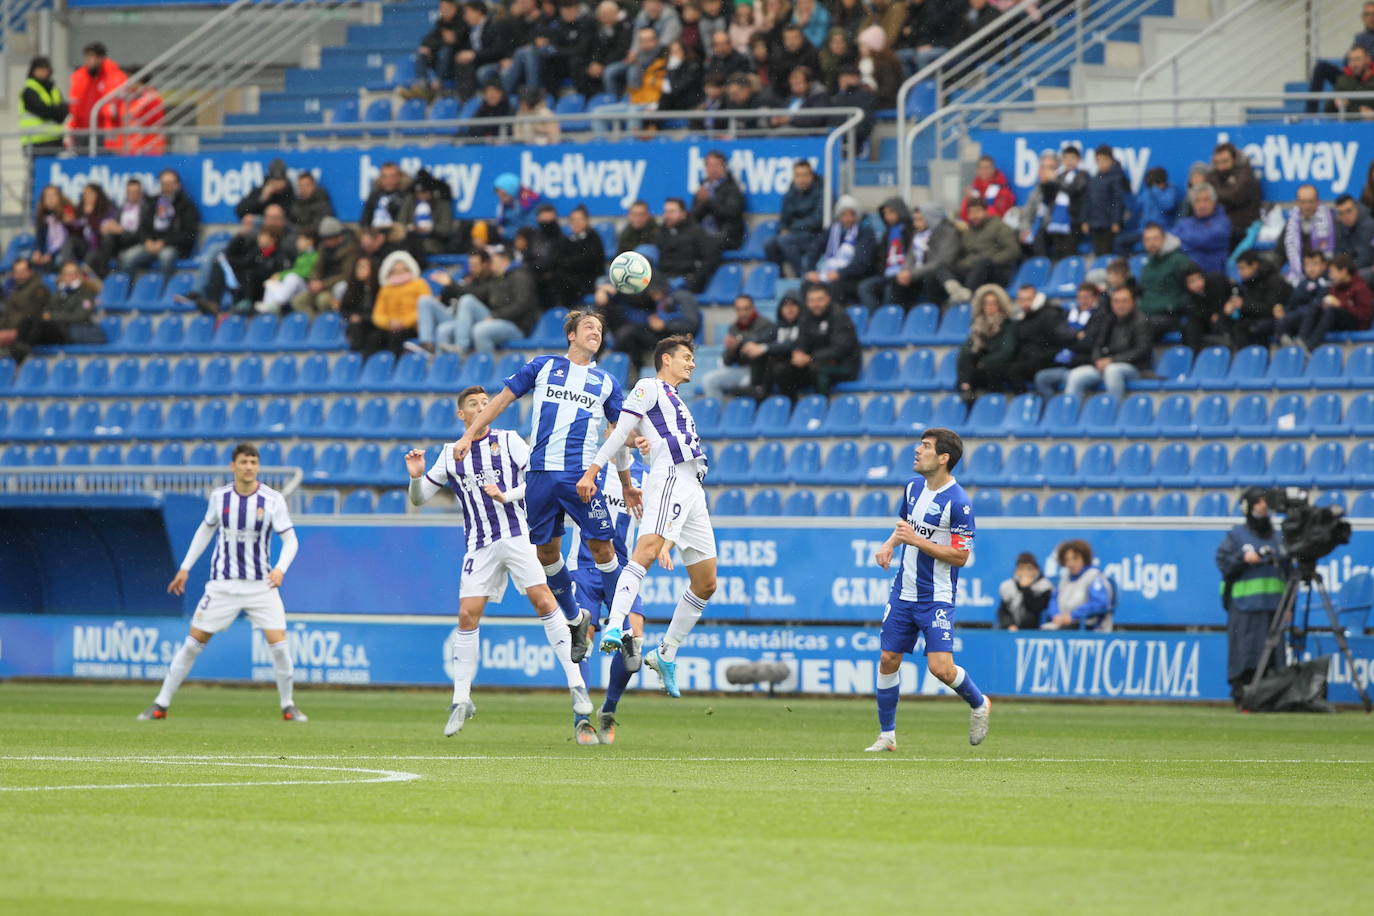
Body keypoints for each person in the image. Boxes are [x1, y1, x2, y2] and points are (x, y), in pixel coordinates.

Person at [407, 387, 599, 744]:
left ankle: (576, 686)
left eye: (485, 403)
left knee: (544, 601)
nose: (482, 408)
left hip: (517, 535)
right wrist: (417, 477)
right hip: (479, 545)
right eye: (473, 406)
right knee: (467, 615)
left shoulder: (509, 440)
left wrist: (506, 495)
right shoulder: (451, 454)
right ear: (462, 416)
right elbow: (419, 499)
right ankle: (460, 700)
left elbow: (537, 481)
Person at [453, 311, 641, 665]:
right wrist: (468, 434)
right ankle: (574, 620)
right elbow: (502, 400)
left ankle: (622, 629)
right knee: (547, 555)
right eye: (589, 327)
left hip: (580, 477)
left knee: (603, 548)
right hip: (539, 476)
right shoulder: (542, 367)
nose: (595, 333)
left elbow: (619, 434)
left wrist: (632, 466)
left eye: (600, 329)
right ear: (571, 334)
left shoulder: (606, 382)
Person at [577, 335, 716, 700]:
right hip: (670, 476)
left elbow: (639, 438)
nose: (692, 364)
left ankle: (666, 652)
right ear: (665, 359)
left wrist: (643, 443)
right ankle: (616, 626)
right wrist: (593, 471)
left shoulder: (675, 400)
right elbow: (621, 431)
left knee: (706, 582)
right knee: (646, 551)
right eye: (686, 357)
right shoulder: (648, 387)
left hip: (693, 487)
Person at [138, 444, 305, 723]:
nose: (249, 466)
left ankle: (288, 706)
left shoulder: (272, 500)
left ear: (258, 466)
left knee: (279, 646)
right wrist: (185, 567)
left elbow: (291, 539)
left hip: (260, 586)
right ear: (233, 466)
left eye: (253, 461)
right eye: (244, 462)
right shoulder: (220, 497)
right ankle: (160, 705)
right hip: (223, 585)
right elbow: (206, 529)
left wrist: (280, 569)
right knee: (192, 644)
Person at [867, 427, 988, 752]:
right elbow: (905, 525)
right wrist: (890, 544)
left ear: (944, 458)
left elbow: (961, 556)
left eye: (926, 446)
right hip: (902, 592)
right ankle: (887, 736)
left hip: (935, 597)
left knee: (940, 668)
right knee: (888, 658)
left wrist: (918, 541)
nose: (917, 451)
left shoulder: (959, 503)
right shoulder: (913, 487)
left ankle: (979, 703)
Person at [569, 449, 649, 743]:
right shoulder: (588, 468)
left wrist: (663, 545)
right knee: (582, 637)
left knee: (634, 640)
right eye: (616, 425)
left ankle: (608, 710)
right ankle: (582, 720)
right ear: (607, 433)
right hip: (585, 565)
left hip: (624, 569)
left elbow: (656, 520)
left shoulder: (646, 476)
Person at [1216, 488, 1286, 707]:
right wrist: (1243, 558)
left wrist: (1288, 606)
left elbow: (1288, 570)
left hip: (1273, 606)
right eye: (1258, 501)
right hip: (1244, 606)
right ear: (1248, 506)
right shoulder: (1236, 536)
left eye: (1265, 501)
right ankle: (1242, 695)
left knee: (1273, 657)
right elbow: (1223, 563)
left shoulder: (1278, 536)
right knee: (1244, 655)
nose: (1263, 505)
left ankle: (1270, 697)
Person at [1056, 285, 1151, 400]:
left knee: (1112, 371)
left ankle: (1113, 411)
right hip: (1104, 365)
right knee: (1076, 375)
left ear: (1133, 302)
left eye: (1124, 301)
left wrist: (1112, 360)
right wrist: (1097, 360)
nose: (1120, 305)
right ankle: (1069, 414)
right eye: (1116, 301)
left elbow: (1141, 350)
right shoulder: (1108, 319)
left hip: (1134, 367)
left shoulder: (1141, 321)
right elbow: (1098, 345)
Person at [120, 169, 200, 283]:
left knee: (166, 257)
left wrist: (164, 242)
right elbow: (142, 228)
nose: (166, 187)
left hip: (173, 246)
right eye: (163, 184)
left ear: (177, 185)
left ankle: (163, 295)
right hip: (151, 245)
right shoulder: (153, 202)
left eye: (169, 183)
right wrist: (146, 241)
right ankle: (126, 294)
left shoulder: (186, 206)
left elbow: (189, 234)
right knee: (128, 257)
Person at [1033, 281, 1109, 399]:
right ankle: (1055, 409)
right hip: (1067, 364)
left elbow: (1088, 343)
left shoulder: (1099, 316)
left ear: (1095, 298)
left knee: (1074, 378)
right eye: (1080, 297)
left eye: (1086, 297)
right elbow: (1057, 334)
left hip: (1086, 365)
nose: (1082, 301)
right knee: (1041, 378)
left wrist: (1069, 339)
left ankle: (1068, 413)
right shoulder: (1069, 313)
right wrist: (1076, 335)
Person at [603, 277, 701, 368]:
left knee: (630, 332)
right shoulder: (661, 299)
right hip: (664, 337)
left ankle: (610, 358)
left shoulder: (682, 296)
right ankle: (636, 369)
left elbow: (691, 324)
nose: (652, 296)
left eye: (653, 292)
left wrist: (665, 324)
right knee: (629, 332)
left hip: (680, 340)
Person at [784, 282, 861, 395]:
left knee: (817, 369)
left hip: (843, 365)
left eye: (820, 300)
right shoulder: (805, 316)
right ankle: (790, 406)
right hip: (813, 362)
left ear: (828, 299)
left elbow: (840, 349)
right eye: (811, 300)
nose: (815, 304)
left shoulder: (839, 315)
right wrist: (798, 352)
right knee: (782, 369)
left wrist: (810, 358)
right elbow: (801, 340)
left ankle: (821, 405)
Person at [700, 293, 777, 398]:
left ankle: (740, 413)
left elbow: (758, 341)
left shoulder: (766, 325)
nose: (743, 313)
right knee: (709, 380)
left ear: (753, 308)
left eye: (746, 309)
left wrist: (740, 340)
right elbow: (727, 361)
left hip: (759, 373)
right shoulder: (734, 328)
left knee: (744, 386)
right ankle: (718, 412)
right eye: (739, 309)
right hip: (741, 370)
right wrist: (731, 349)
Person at [805, 193, 876, 304]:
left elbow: (862, 262)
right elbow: (814, 249)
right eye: (844, 214)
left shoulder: (865, 232)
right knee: (808, 284)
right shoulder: (832, 230)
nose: (848, 219)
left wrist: (841, 273)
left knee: (835, 286)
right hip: (830, 273)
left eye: (851, 214)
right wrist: (810, 270)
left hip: (853, 278)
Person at [1291, 253, 1373, 348]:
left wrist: (1341, 305)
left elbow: (1365, 316)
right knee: (1316, 305)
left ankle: (1310, 347)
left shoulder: (1361, 287)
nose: (1331, 276)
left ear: (1343, 271)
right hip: (1338, 321)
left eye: (1332, 272)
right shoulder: (1335, 287)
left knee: (1332, 311)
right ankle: (1301, 339)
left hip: (1357, 324)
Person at [885, 203, 959, 307]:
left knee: (930, 279)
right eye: (914, 219)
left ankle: (934, 315)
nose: (915, 224)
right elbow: (911, 256)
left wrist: (912, 274)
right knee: (897, 281)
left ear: (931, 218)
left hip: (937, 275)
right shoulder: (918, 234)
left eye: (919, 220)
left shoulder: (947, 233)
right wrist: (905, 271)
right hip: (918, 273)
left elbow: (941, 262)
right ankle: (904, 318)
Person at [945, 198, 1019, 301]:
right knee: (942, 266)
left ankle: (967, 295)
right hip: (971, 269)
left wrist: (992, 260)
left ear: (986, 211)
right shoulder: (968, 232)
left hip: (995, 271)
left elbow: (1013, 250)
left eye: (978, 211)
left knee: (983, 262)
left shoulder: (999, 226)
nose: (974, 216)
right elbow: (964, 253)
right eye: (971, 212)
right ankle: (955, 293)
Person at [1306, 2, 1374, 112]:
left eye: (1373, 14)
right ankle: (1309, 114)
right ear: (1362, 18)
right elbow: (1346, 62)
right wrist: (1355, 64)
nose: (1371, 18)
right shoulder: (1360, 37)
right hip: (1353, 78)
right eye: (1367, 14)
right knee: (1321, 67)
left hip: (1370, 79)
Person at [955, 284, 1017, 403]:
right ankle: (966, 388)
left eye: (993, 303)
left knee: (992, 369)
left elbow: (1007, 351)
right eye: (986, 303)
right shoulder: (978, 324)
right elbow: (968, 348)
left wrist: (983, 362)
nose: (989, 307)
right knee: (966, 357)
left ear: (1000, 305)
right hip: (980, 367)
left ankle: (984, 398)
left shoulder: (1007, 324)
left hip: (997, 367)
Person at [765, 160, 825, 277]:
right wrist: (783, 228)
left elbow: (818, 220)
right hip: (794, 235)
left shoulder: (821, 191)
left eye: (805, 175)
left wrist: (791, 228)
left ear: (811, 176)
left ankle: (801, 276)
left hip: (814, 235)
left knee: (785, 240)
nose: (801, 179)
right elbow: (783, 219)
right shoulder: (790, 192)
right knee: (769, 244)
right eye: (798, 175)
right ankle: (780, 277)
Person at [1222, 250, 1290, 349]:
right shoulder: (1247, 282)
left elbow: (1270, 309)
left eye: (1243, 268)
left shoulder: (1273, 280)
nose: (1240, 273)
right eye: (1238, 269)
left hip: (1274, 320)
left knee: (1252, 328)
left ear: (1254, 265)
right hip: (1256, 319)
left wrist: (1243, 305)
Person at [1041, 539, 1114, 630]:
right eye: (1067, 559)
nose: (1071, 563)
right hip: (1063, 624)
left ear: (1084, 558)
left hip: (1087, 626)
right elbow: (1054, 600)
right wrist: (1056, 615)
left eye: (1075, 558)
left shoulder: (1094, 576)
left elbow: (1099, 603)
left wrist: (1072, 615)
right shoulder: (1064, 578)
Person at [364, 250, 426, 357]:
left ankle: (394, 366)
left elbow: (424, 308)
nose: (399, 272)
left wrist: (404, 322)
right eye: (395, 270)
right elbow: (377, 314)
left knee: (396, 337)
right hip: (389, 326)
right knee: (373, 338)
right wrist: (388, 323)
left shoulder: (419, 284)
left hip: (411, 327)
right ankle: (371, 367)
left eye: (402, 269)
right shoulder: (386, 289)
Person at [292, 217, 358, 316]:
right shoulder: (324, 247)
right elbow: (317, 267)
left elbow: (346, 275)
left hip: (335, 286)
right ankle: (315, 324)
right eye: (324, 239)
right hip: (320, 285)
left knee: (323, 300)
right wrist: (314, 280)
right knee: (298, 301)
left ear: (339, 237)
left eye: (328, 239)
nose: (325, 242)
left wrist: (323, 284)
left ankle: (328, 325)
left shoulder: (351, 249)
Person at [859, 195, 914, 311]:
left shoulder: (910, 230)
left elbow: (913, 254)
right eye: (885, 213)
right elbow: (881, 257)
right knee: (865, 287)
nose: (887, 216)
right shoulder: (887, 233)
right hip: (887, 274)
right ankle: (876, 318)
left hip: (905, 274)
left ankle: (889, 320)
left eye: (891, 212)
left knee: (891, 290)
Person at [68, 42, 126, 152]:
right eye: (88, 56)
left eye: (93, 56)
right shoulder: (79, 76)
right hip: (81, 130)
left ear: (101, 58)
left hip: (104, 131)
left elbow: (118, 106)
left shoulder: (114, 77)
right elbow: (74, 104)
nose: (90, 60)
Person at [1137, 223, 1191, 339]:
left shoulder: (1179, 260)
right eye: (1147, 240)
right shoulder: (1148, 264)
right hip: (1147, 313)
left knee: (1140, 327)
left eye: (1155, 238)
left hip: (1170, 315)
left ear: (1164, 239)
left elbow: (1189, 290)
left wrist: (1173, 306)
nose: (1151, 243)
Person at [453, 1, 516, 99]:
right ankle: (466, 100)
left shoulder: (494, 24)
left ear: (478, 12)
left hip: (498, 62)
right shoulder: (469, 29)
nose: (465, 17)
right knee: (462, 64)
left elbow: (498, 51)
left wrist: (474, 55)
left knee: (482, 72)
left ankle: (491, 98)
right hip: (480, 62)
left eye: (467, 13)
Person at [1114, 165, 1181, 255]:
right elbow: (1135, 209)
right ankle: (1132, 264)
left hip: (1162, 231)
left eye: (1156, 182)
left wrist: (1155, 189)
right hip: (1144, 231)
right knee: (1119, 241)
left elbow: (1168, 206)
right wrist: (1127, 193)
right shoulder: (1147, 192)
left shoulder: (1171, 190)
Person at [658, 196, 719, 292]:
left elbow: (709, 260)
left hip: (687, 281)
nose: (668, 215)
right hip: (664, 280)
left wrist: (693, 280)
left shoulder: (697, 232)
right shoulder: (661, 232)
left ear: (683, 213)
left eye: (672, 212)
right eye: (666, 212)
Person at [406, 0, 463, 102]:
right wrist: (429, 48)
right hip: (441, 62)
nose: (443, 11)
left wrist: (434, 46)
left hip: (456, 65)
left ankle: (437, 82)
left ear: (454, 8)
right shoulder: (441, 23)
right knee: (422, 53)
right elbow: (427, 40)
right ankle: (422, 84)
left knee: (446, 51)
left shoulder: (462, 22)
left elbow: (453, 42)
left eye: (446, 8)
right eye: (441, 8)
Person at [1207, 142, 1261, 250]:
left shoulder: (1245, 175)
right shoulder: (1212, 175)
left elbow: (1234, 197)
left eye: (1225, 161)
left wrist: (1213, 193)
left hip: (1243, 226)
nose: (1221, 167)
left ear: (1234, 160)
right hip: (1220, 224)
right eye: (1217, 163)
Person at [692, 150, 747, 252]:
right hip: (704, 233)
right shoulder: (703, 188)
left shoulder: (732, 188)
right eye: (709, 165)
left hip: (726, 234)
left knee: (709, 243)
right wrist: (702, 203)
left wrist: (708, 201)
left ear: (724, 167)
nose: (713, 169)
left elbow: (731, 213)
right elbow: (694, 216)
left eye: (717, 165)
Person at [1281, 184, 1337, 283]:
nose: (1307, 206)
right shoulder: (1291, 224)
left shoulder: (1331, 221)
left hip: (1325, 274)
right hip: (1298, 274)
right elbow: (1279, 251)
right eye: (1303, 202)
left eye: (1310, 201)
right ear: (1297, 203)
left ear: (1317, 202)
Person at [1173, 184, 1231, 276]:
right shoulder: (1184, 223)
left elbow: (1206, 239)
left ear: (1214, 202)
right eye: (1197, 201)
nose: (1202, 205)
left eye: (1206, 200)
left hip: (1212, 274)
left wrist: (1184, 242)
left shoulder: (1222, 222)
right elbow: (1172, 240)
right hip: (1186, 276)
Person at [1082, 144, 1128, 256]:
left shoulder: (1117, 178)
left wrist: (1116, 221)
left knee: (1108, 252)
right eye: (1098, 160)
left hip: (1109, 224)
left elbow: (1118, 201)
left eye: (1105, 160)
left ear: (1112, 160)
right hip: (1095, 223)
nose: (1102, 163)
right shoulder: (1094, 179)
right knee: (1098, 252)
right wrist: (1085, 220)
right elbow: (1087, 201)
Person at [1045, 144, 1087, 260]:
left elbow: (1074, 191)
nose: (1069, 161)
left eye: (1072, 158)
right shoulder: (1060, 175)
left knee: (1069, 252)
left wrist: (1056, 180)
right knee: (1057, 252)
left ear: (1078, 160)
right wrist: (1046, 182)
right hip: (1057, 218)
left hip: (1072, 219)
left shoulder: (1082, 175)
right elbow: (1049, 198)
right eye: (1066, 158)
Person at [19, 57, 68, 156]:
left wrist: (54, 111)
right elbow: (43, 111)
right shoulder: (29, 90)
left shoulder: (54, 89)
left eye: (45, 69)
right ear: (33, 71)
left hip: (55, 141)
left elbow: (64, 111)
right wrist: (56, 111)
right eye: (40, 69)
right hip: (35, 142)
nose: (43, 72)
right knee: (37, 171)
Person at [558, 205, 606, 308]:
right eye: (573, 220)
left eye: (579, 219)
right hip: (572, 285)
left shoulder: (594, 238)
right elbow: (560, 261)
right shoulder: (566, 240)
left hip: (590, 282)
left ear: (586, 220)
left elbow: (589, 261)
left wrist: (570, 262)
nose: (576, 223)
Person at [586, 0, 633, 97]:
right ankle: (592, 101)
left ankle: (612, 99)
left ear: (615, 13)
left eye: (607, 13)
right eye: (602, 14)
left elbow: (621, 50)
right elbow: (596, 48)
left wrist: (603, 64)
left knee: (609, 72)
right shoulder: (600, 29)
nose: (604, 16)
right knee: (585, 70)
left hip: (622, 61)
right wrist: (595, 62)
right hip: (605, 62)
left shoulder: (624, 27)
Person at [996, 552, 1053, 631]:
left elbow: (1036, 609)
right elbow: (1003, 611)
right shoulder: (1008, 586)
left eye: (1029, 568)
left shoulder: (1044, 586)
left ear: (1036, 570)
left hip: (1035, 630)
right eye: (1022, 568)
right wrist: (1009, 625)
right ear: (1016, 571)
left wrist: (1026, 589)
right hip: (1011, 629)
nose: (1025, 572)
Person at [31, 185, 78, 273]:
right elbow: (39, 238)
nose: (50, 199)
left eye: (53, 195)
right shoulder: (42, 217)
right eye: (47, 196)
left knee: (57, 261)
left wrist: (50, 255)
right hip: (49, 251)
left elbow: (61, 240)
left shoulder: (67, 211)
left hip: (65, 251)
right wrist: (37, 251)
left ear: (59, 197)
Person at [959, 155, 1016, 222]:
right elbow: (964, 216)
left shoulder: (1003, 192)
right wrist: (968, 201)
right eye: (981, 168)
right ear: (977, 171)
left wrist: (978, 207)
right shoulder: (973, 191)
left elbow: (999, 217)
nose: (984, 171)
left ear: (993, 170)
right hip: (975, 228)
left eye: (986, 168)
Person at [340, 257, 379, 352]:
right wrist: (351, 316)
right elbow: (344, 309)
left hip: (374, 325)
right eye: (358, 267)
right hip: (357, 326)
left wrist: (363, 318)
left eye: (364, 267)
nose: (360, 270)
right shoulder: (352, 287)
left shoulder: (379, 288)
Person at [1331, 44, 1374, 118]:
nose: (1354, 64)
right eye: (1351, 60)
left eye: (1357, 59)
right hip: (1350, 126)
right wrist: (1358, 111)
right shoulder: (1342, 80)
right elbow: (1329, 109)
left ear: (1368, 59)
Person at [1334, 194, 1374, 270]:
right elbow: (1339, 253)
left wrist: (1346, 272)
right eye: (1341, 213)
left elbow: (1364, 258)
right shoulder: (1339, 225)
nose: (1345, 216)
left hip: (1367, 268)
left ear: (1357, 208)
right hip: (1350, 268)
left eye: (1348, 211)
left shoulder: (1369, 225)